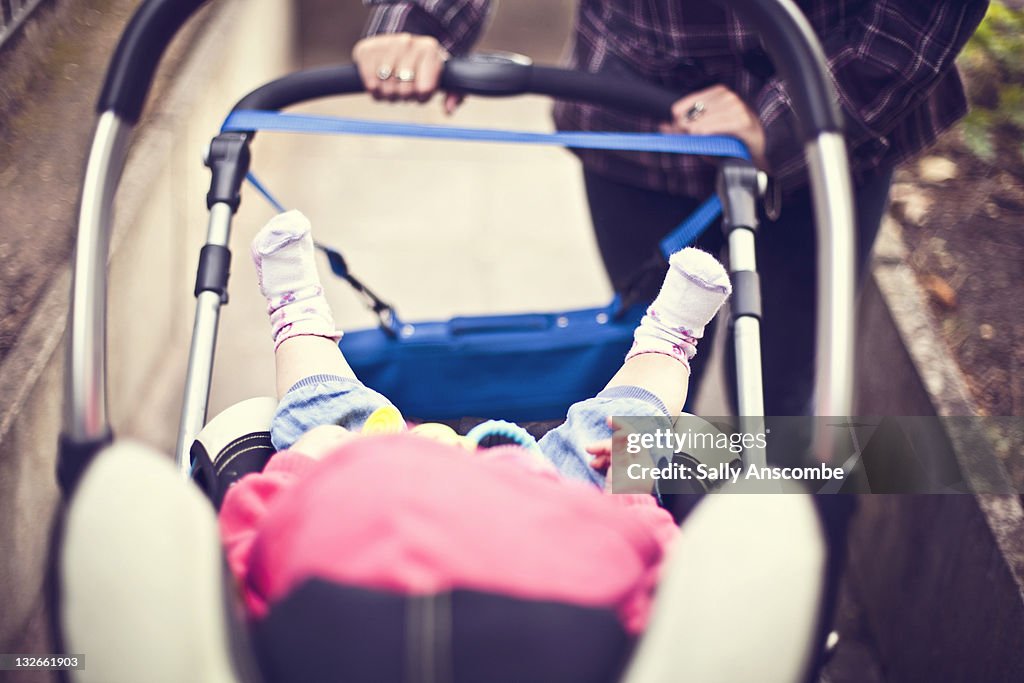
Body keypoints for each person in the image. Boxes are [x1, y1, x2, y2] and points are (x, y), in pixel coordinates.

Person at [352, 0, 989, 418]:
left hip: (830, 125)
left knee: (783, 396)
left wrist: (789, 114)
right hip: (637, 113)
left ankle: (778, 552)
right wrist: (417, 22)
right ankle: (650, 546)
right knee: (652, 376)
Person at [217, 210, 731, 679]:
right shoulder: (587, 639)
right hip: (552, 512)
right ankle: (666, 345)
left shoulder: (303, 634)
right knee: (619, 435)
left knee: (324, 417)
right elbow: (669, 584)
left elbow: (238, 557)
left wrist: (303, 466)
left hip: (374, 491)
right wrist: (629, 493)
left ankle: (298, 320)